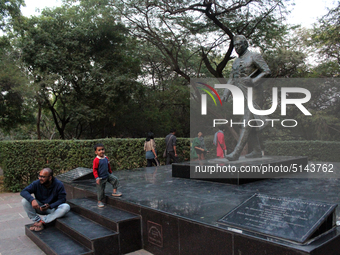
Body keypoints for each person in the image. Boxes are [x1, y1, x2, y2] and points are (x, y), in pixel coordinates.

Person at [222, 35, 270, 161]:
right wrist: (226, 93)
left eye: (239, 45)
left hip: (254, 93)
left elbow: (266, 71)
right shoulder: (236, 62)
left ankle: (236, 153)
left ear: (245, 44)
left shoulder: (254, 56)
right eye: (235, 45)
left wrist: (253, 80)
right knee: (251, 123)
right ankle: (257, 151)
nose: (237, 48)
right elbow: (232, 78)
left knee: (246, 121)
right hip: (240, 94)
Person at [93, 143, 122, 208]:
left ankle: (114, 192)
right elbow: (94, 170)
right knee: (100, 190)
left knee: (115, 179)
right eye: (99, 150)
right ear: (96, 152)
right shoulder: (96, 160)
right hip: (100, 177)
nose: (101, 151)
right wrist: (97, 178)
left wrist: (110, 172)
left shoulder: (106, 158)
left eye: (102, 149)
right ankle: (99, 201)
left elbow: (108, 166)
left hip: (107, 174)